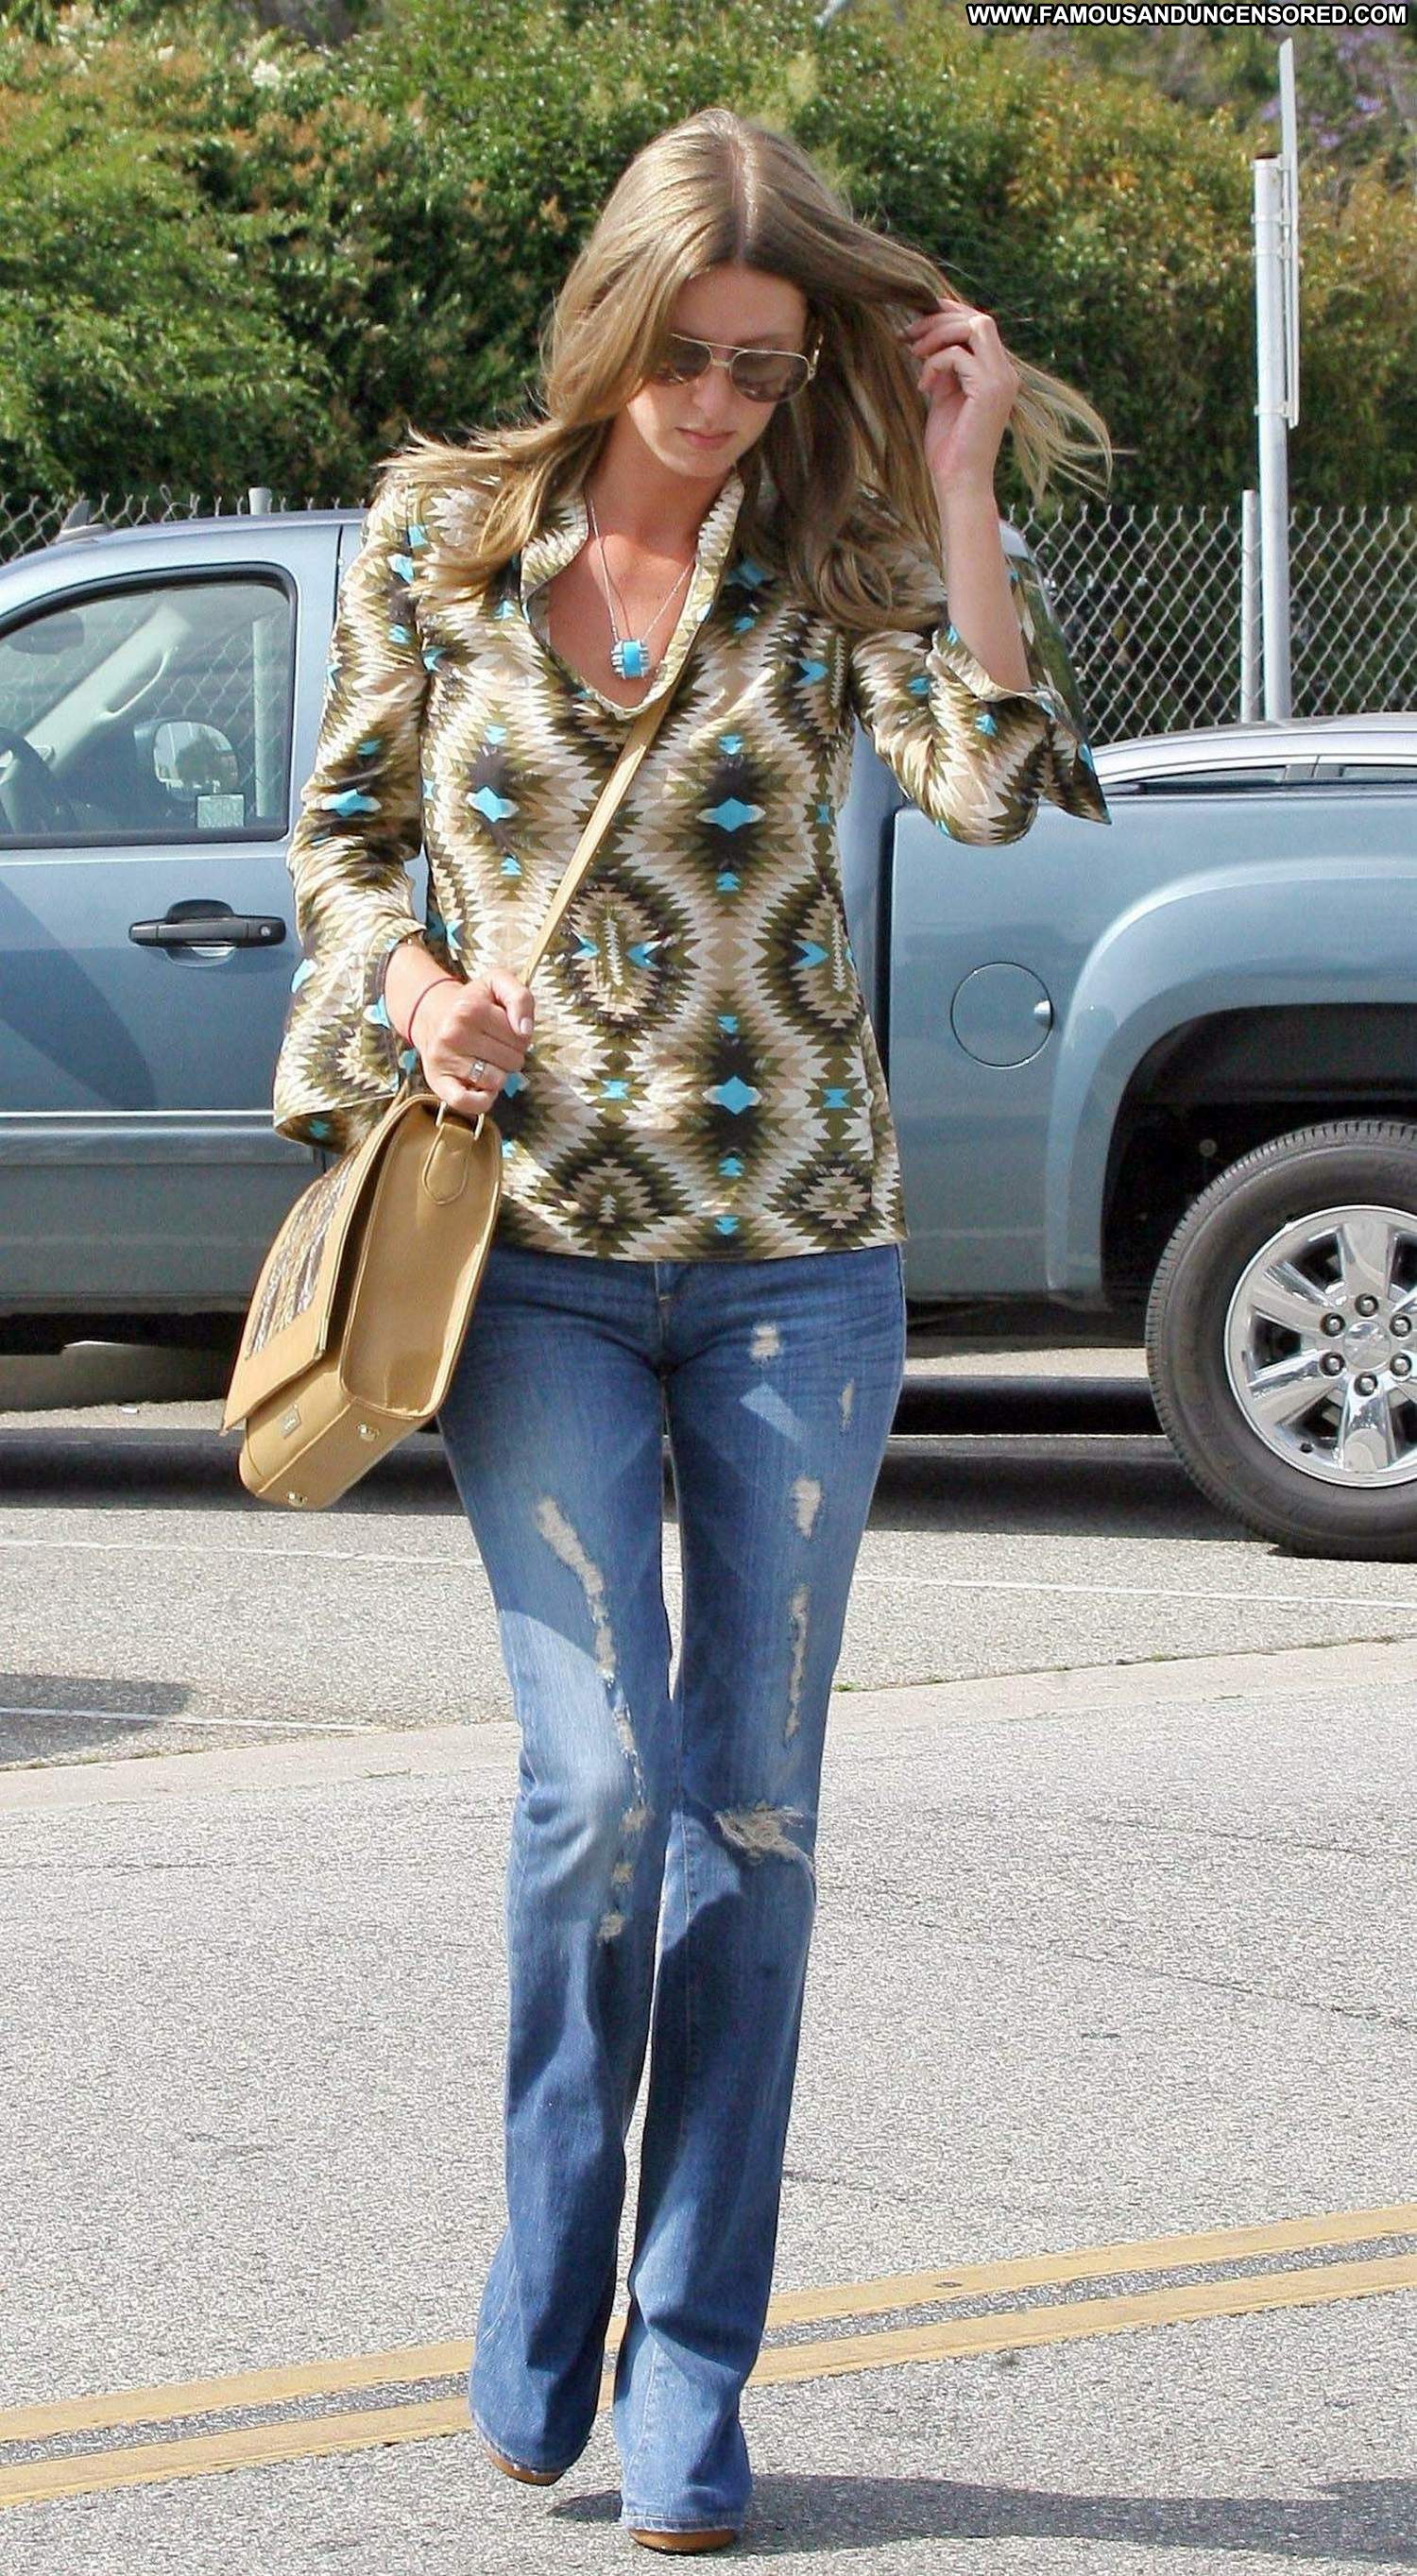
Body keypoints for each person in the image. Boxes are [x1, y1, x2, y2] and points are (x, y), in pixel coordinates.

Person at [271, 105, 1111, 2553]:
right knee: (600, 1792)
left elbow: (984, 785)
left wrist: (956, 473)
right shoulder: (443, 538)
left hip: (796, 1276)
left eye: (765, 365)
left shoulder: (832, 547)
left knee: (752, 1814)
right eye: (691, 359)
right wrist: (415, 985)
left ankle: (690, 2367)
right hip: (528, 1259)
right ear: (610, 325)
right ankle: (551, 2257)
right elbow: (340, 847)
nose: (725, 404)